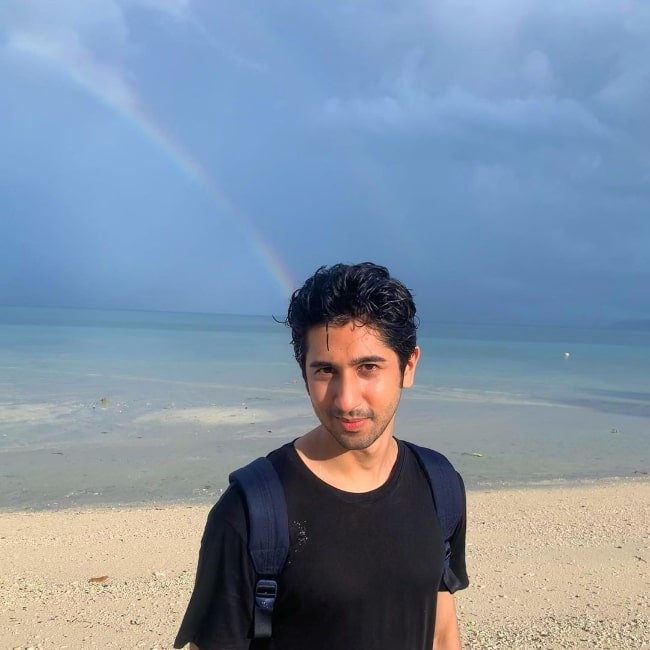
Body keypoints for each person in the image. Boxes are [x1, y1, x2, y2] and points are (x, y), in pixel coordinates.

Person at [174, 262, 469, 650]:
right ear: (304, 373)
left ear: (408, 366)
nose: (346, 400)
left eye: (368, 367)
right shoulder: (252, 511)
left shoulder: (439, 485)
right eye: (326, 371)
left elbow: (441, 625)